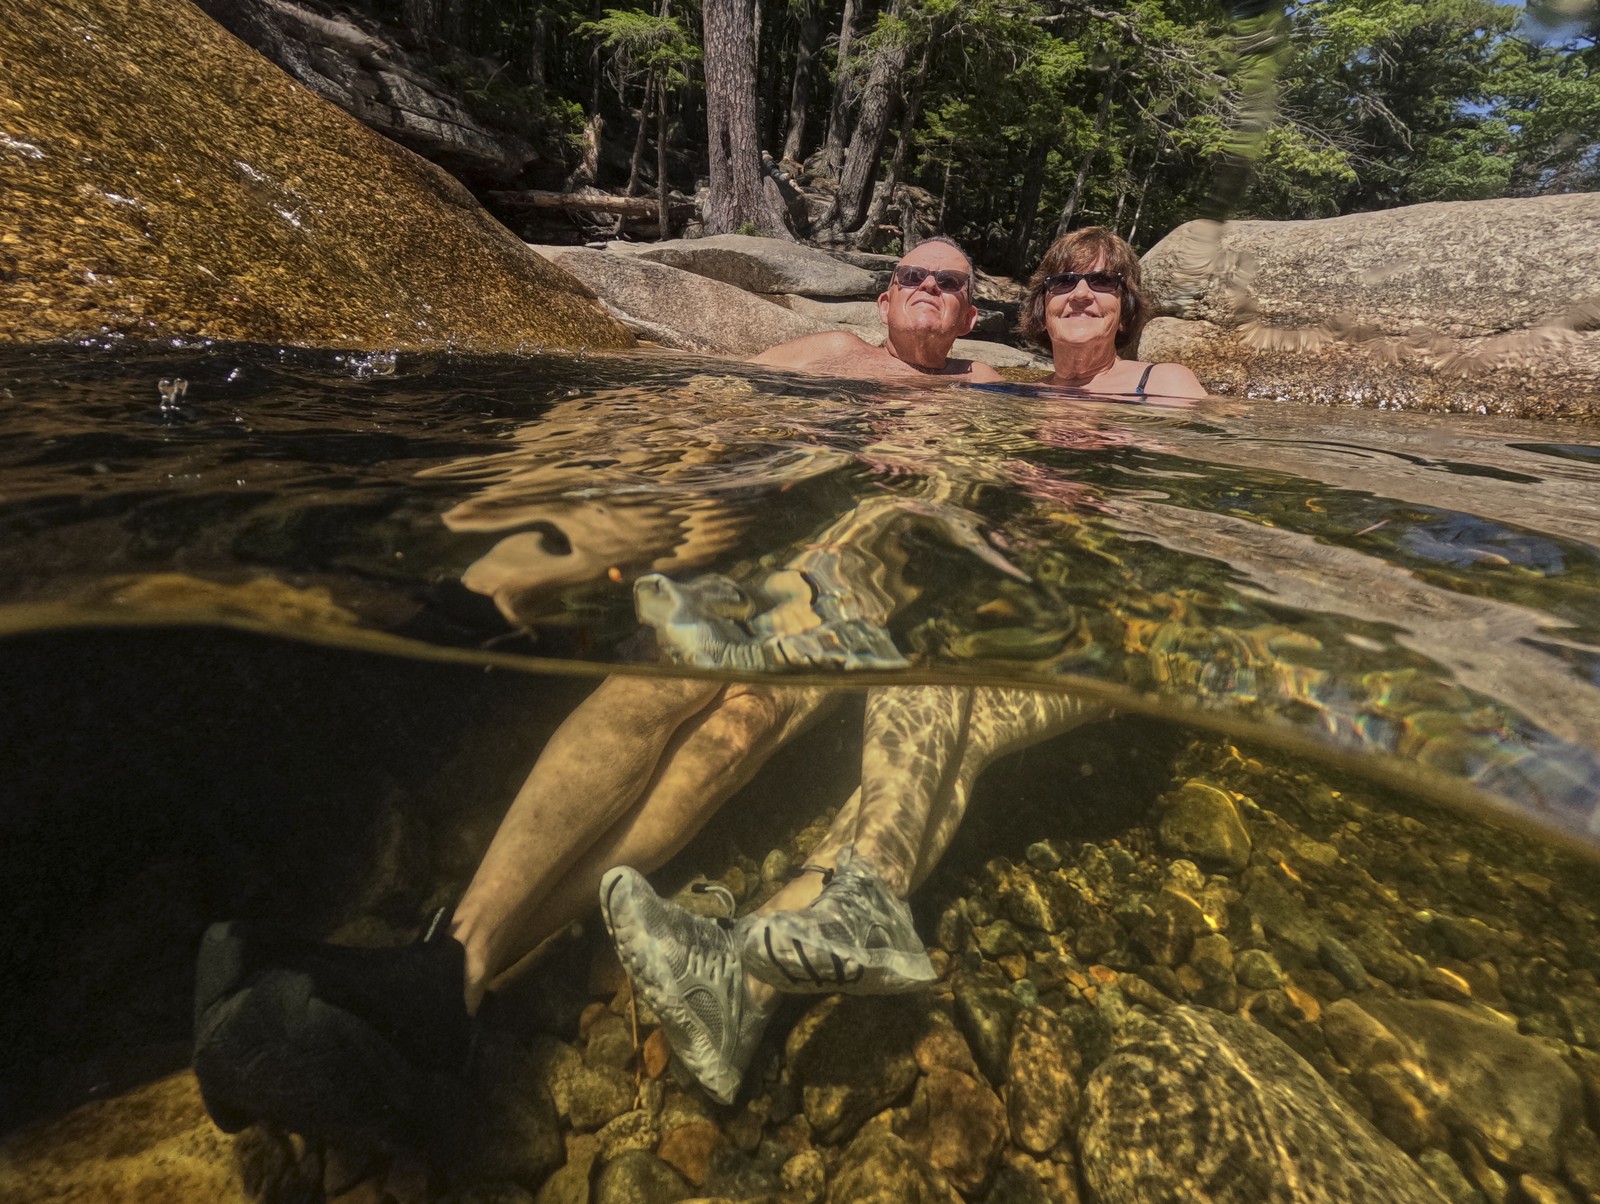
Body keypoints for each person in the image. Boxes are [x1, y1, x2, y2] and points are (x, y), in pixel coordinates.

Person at [191, 236, 1016, 1140]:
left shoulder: (986, 389)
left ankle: (442, 978)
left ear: (973, 312)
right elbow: (703, 404)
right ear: (885, 297)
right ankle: (444, 978)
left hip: (861, 591)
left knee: (729, 742)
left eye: (953, 283)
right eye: (914, 276)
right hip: (765, 553)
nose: (931, 291)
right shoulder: (832, 357)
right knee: (657, 693)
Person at [753, 235, 1003, 383]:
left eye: (949, 282)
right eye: (912, 276)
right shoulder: (831, 349)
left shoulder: (979, 377)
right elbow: (732, 380)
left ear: (967, 320)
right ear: (884, 306)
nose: (928, 285)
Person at [1019, 226, 1206, 400]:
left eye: (1102, 281)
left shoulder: (1160, 382)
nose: (1081, 294)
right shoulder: (1025, 394)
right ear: (1041, 311)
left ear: (1125, 312)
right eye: (1063, 281)